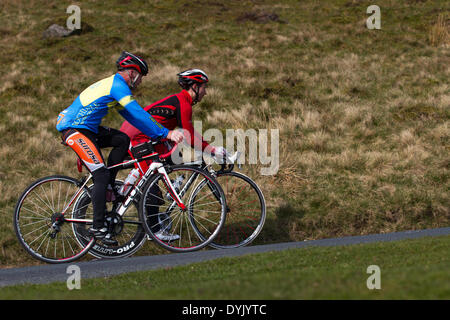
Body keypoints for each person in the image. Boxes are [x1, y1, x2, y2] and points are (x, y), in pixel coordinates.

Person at [56, 51, 183, 244]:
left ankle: (108, 185)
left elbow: (132, 118)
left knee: (122, 139)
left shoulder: (115, 86)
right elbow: (138, 114)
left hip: (87, 129)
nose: (140, 82)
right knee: (100, 173)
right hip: (75, 130)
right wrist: (167, 133)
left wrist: (156, 135)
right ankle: (98, 227)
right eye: (140, 77)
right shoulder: (117, 86)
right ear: (132, 73)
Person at [120, 69, 228, 241]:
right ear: (195, 86)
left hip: (144, 137)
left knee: (172, 149)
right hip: (137, 139)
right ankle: (154, 232)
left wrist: (208, 148)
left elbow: (187, 134)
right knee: (152, 188)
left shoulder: (180, 101)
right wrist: (213, 150)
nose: (205, 92)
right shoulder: (183, 103)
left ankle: (155, 183)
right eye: (204, 88)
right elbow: (190, 136)